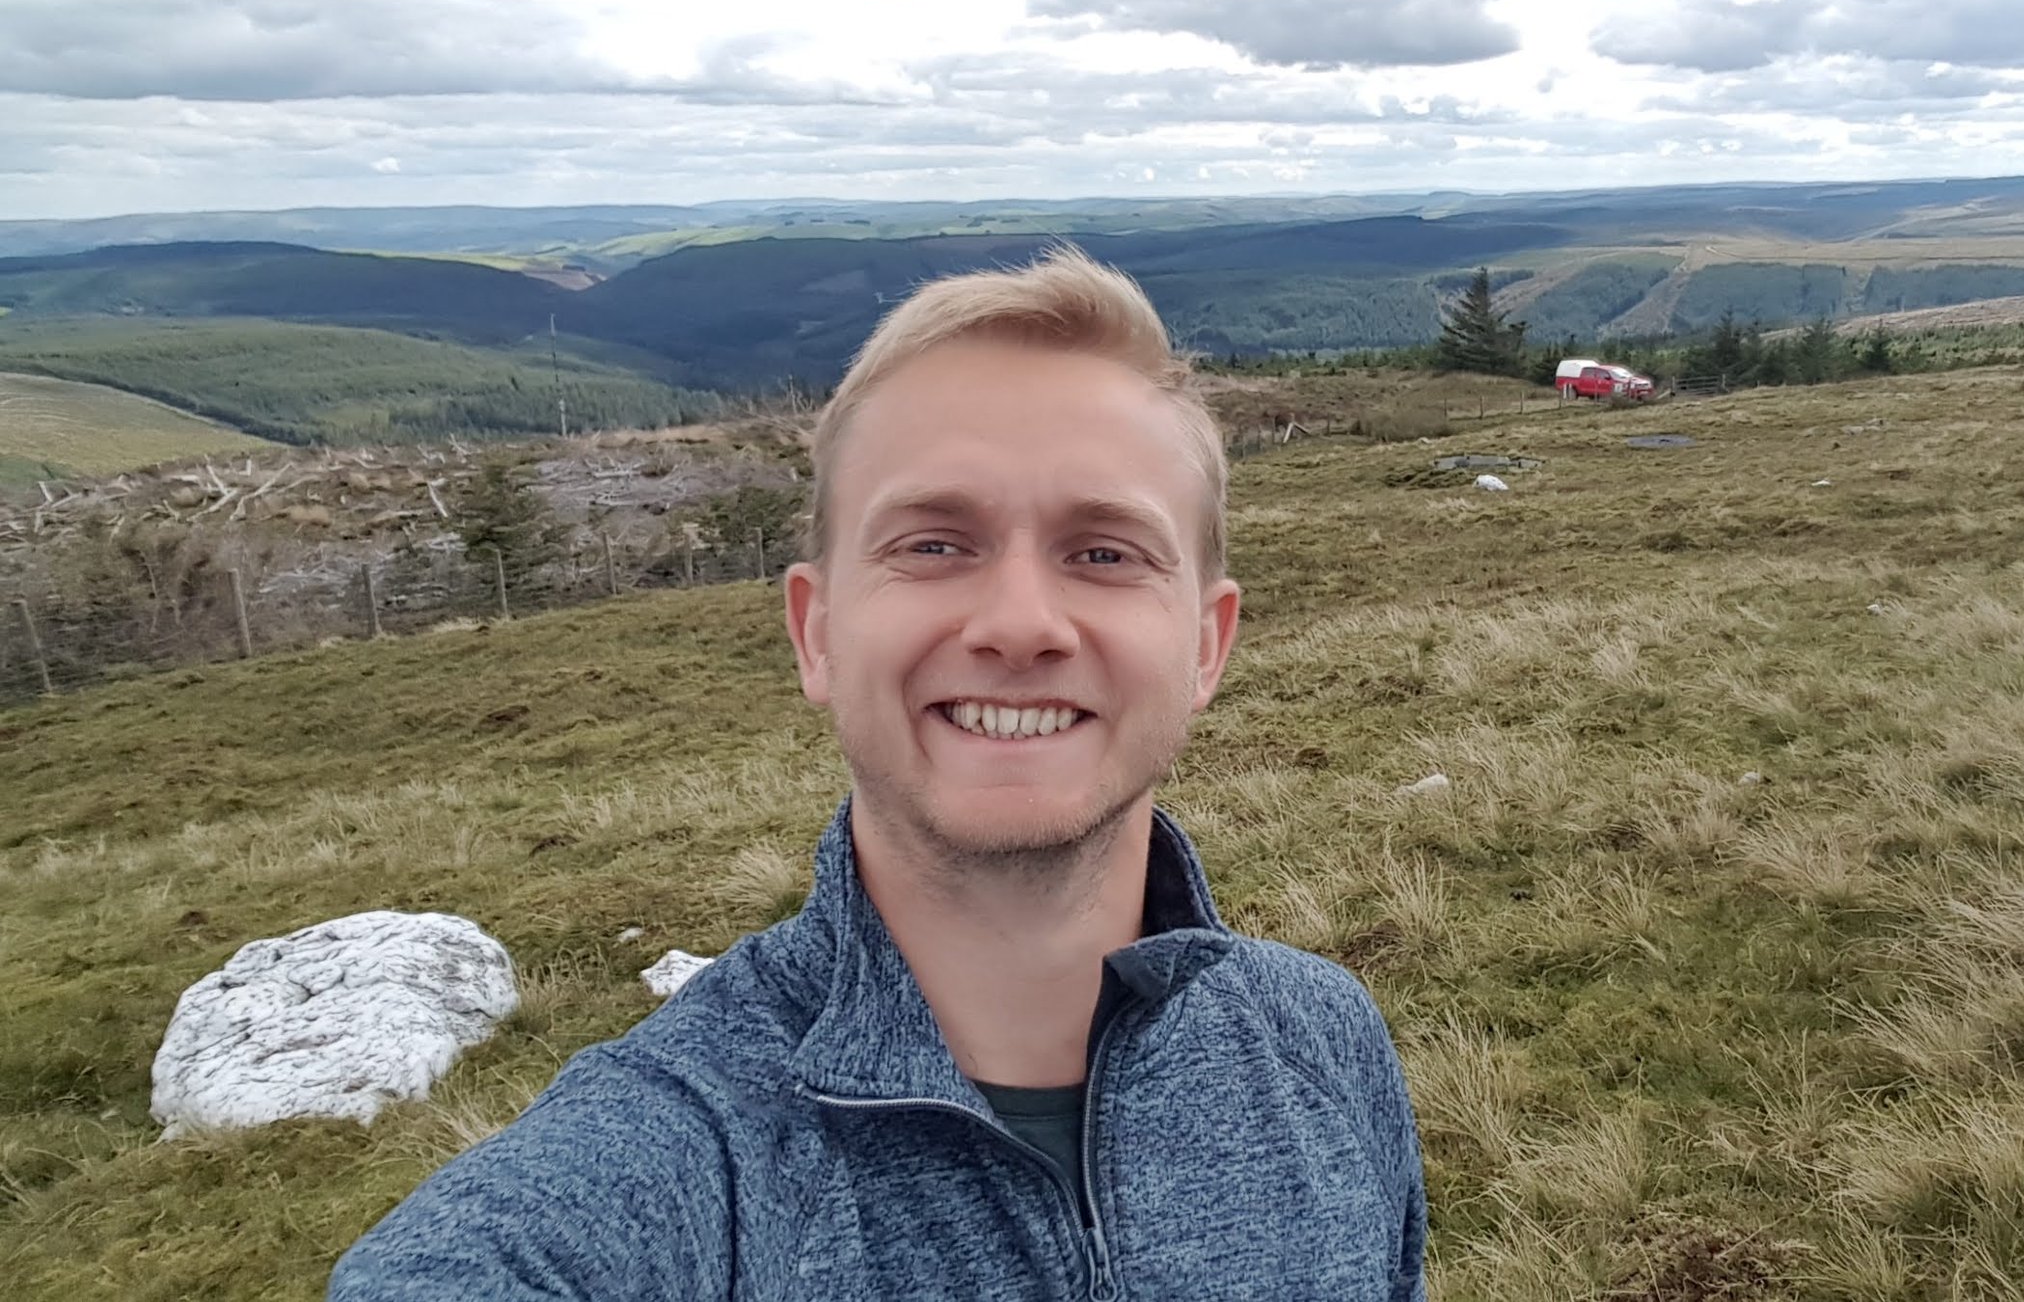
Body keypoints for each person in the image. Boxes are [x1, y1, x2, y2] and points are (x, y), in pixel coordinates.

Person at [329, 246, 1429, 1300]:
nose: (1019, 624)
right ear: (816, 633)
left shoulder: (1320, 1038)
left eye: (1104, 552)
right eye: (933, 544)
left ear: (1205, 646)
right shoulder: (655, 1163)